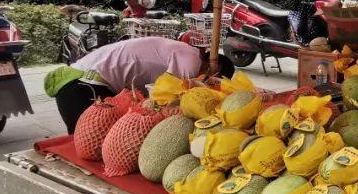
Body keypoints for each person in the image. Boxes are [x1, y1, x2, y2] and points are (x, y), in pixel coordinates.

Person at [44, 37, 226, 134]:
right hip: (84, 86)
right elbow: (175, 99)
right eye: (212, 82)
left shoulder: (183, 50)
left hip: (82, 79)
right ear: (213, 71)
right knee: (84, 148)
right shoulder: (191, 60)